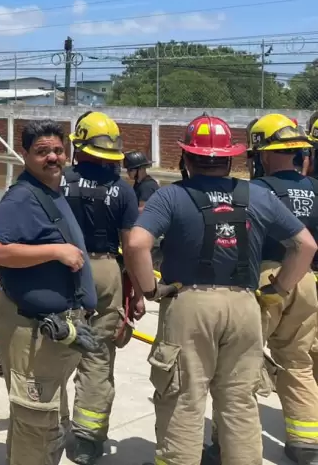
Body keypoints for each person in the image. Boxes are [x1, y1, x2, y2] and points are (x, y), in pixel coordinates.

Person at [123, 113, 317, 465]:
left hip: (189, 306)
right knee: (239, 404)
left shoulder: (170, 196)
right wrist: (279, 289)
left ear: (185, 158)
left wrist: (152, 289)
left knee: (182, 399)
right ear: (230, 158)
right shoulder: (256, 196)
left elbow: (137, 244)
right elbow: (305, 245)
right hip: (244, 307)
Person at [0, 119, 99, 465]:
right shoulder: (21, 197)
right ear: (25, 155)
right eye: (42, 151)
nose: (52, 157)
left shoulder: (51, 192)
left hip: (54, 331)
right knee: (35, 421)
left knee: (44, 420)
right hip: (29, 331)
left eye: (57, 150)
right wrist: (55, 252)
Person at [62, 112, 141, 465]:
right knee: (97, 355)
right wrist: (138, 292)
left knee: (52, 348)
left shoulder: (59, 181)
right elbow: (132, 244)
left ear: (78, 143)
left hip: (60, 266)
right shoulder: (122, 190)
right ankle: (87, 440)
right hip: (106, 268)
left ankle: (45, 425)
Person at [240, 114, 318, 465]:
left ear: (262, 153)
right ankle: (306, 444)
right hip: (306, 281)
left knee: (241, 363)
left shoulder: (256, 191)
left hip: (266, 278)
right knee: (297, 362)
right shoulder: (316, 188)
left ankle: (229, 441)